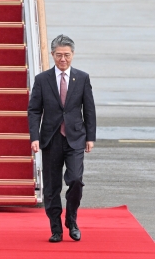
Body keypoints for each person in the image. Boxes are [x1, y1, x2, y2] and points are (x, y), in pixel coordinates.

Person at [28, 34, 96, 243]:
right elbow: (34, 110)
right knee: (52, 186)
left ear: (73, 55)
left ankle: (72, 220)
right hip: (51, 138)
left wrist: (90, 137)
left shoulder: (82, 78)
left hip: (75, 137)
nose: (63, 59)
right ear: (52, 55)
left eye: (67, 55)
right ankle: (55, 228)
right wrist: (35, 137)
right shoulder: (42, 79)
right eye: (59, 55)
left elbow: (89, 108)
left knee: (75, 180)